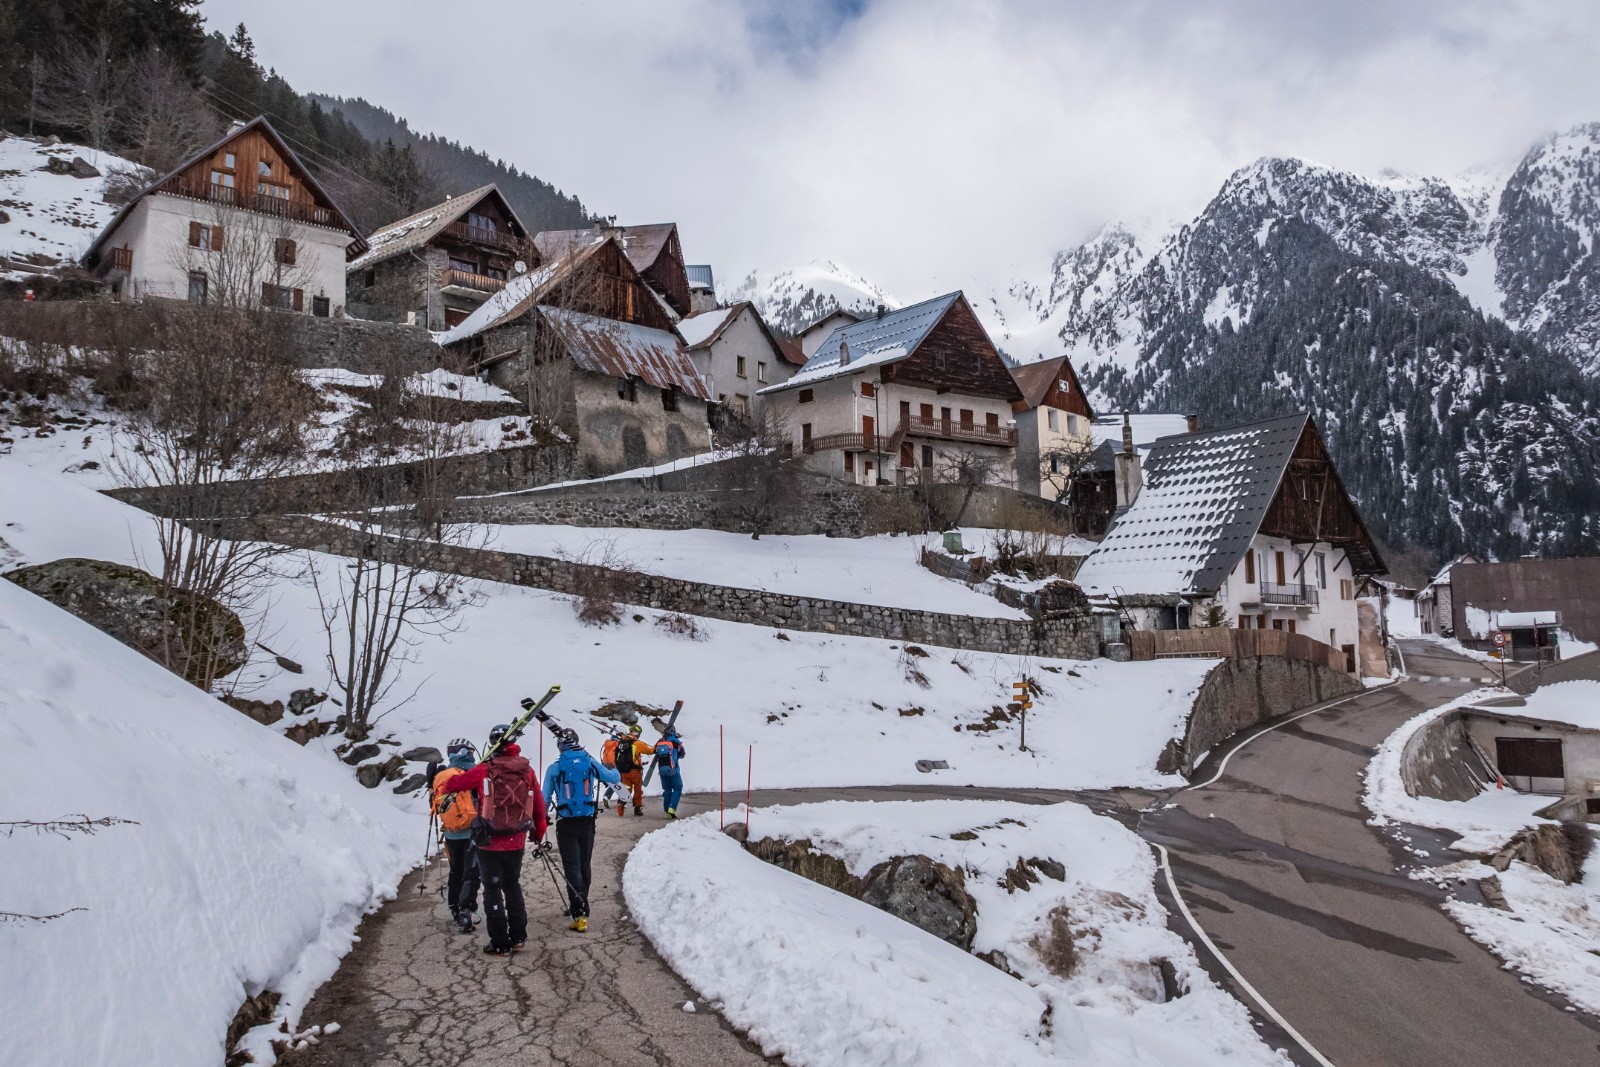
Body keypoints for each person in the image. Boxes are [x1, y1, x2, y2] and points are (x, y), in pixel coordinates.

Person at [441, 724, 546, 956]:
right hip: (516, 838)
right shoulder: (526, 771)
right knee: (513, 885)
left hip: (489, 840)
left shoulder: (485, 769)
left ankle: (499, 942)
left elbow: (453, 785)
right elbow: (539, 805)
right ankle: (518, 937)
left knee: (492, 889)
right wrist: (538, 833)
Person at [542, 728, 620, 933]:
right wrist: (614, 767)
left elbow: (545, 798)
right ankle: (581, 904)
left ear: (560, 746)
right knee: (584, 863)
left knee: (572, 866)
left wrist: (541, 821)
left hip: (566, 822)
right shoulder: (589, 761)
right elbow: (612, 778)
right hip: (587, 821)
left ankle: (579, 912)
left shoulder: (555, 767)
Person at [430, 739, 482, 932]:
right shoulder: (474, 772)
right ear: (466, 752)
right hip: (472, 831)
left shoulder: (441, 776)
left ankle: (454, 906)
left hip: (451, 834)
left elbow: (436, 807)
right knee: (471, 871)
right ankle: (466, 909)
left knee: (456, 870)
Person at [602, 724, 652, 816]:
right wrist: (657, 747)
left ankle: (621, 803)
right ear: (637, 733)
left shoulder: (622, 742)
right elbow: (650, 751)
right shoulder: (637, 743)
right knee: (637, 790)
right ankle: (637, 809)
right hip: (635, 771)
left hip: (623, 771)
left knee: (626, 789)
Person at [653, 727, 685, 819]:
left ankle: (667, 811)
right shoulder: (675, 741)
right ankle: (672, 808)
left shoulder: (660, 742)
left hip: (662, 771)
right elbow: (682, 754)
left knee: (667, 790)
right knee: (678, 788)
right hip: (674, 770)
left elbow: (654, 752)